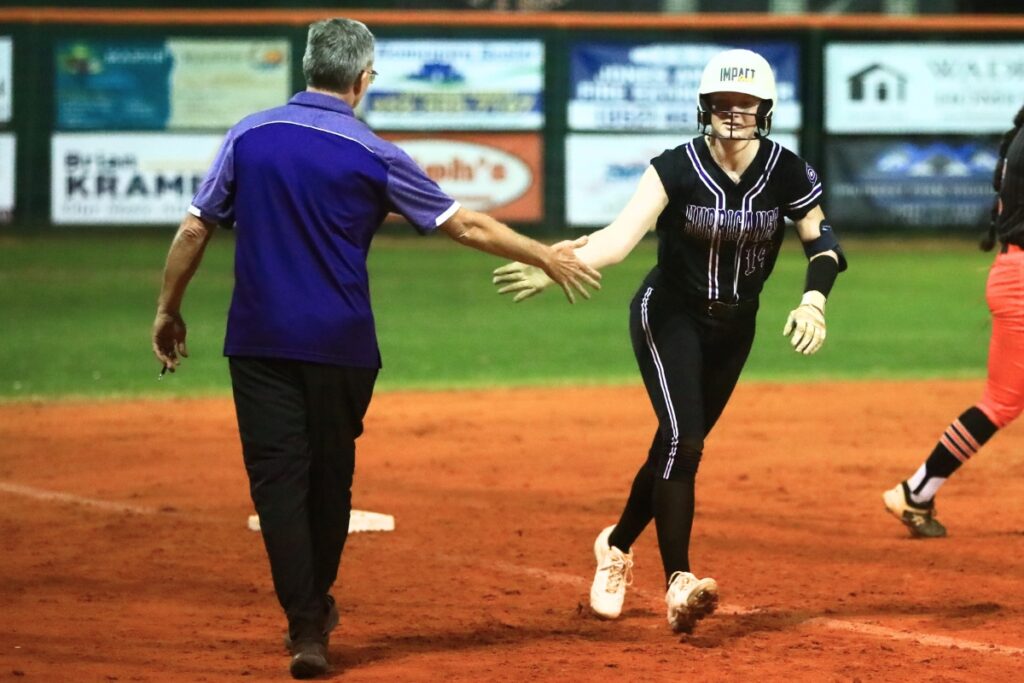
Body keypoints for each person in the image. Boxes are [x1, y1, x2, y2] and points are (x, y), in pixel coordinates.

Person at [151, 18, 599, 680]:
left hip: (258, 340)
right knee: (329, 481)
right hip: (342, 345)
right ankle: (310, 620)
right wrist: (544, 253)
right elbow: (466, 224)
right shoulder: (376, 153)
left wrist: (168, 307)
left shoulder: (248, 134)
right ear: (363, 80)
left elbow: (195, 230)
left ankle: (307, 624)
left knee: (278, 483)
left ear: (306, 68)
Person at [493, 48, 846, 633]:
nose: (735, 114)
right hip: (670, 314)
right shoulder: (674, 167)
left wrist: (815, 297)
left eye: (747, 103)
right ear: (704, 107)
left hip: (737, 327)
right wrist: (549, 262)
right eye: (723, 103)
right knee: (685, 440)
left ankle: (617, 545)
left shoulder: (788, 171)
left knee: (674, 444)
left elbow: (823, 243)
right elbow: (617, 240)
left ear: (766, 108)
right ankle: (679, 583)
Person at [883, 104, 1024, 539]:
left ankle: (917, 492)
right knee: (1000, 403)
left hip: (1014, 273)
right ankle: (916, 491)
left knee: (1000, 402)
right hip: (1021, 281)